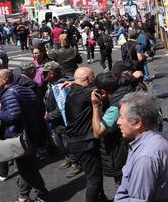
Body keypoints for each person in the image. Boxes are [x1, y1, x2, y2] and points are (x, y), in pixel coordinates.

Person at [0, 69, 51, 202]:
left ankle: (42, 196)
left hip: (20, 137)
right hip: (32, 133)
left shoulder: (8, 94)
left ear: (5, 80)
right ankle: (23, 196)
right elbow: (38, 109)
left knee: (27, 169)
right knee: (26, 167)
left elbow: (13, 117)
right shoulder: (25, 89)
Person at [114, 92, 168, 201]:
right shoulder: (156, 138)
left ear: (137, 122)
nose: (118, 121)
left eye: (122, 117)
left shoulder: (145, 157)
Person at [65, 67, 109, 202]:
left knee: (95, 174)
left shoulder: (72, 91)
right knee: (93, 178)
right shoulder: (86, 93)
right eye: (93, 77)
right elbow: (107, 85)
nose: (95, 79)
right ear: (86, 80)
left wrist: (73, 82)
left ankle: (101, 198)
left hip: (76, 142)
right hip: (84, 142)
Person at [91, 72, 132, 186]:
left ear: (103, 91)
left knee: (125, 187)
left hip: (120, 154)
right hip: (130, 147)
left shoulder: (114, 108)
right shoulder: (126, 89)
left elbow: (98, 133)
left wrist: (95, 106)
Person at [42, 61, 82, 178]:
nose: (42, 75)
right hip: (56, 121)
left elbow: (62, 107)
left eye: (45, 73)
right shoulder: (51, 84)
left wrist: (49, 116)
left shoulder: (61, 85)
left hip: (63, 121)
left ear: (52, 73)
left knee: (68, 142)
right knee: (60, 142)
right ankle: (68, 158)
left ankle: (76, 163)